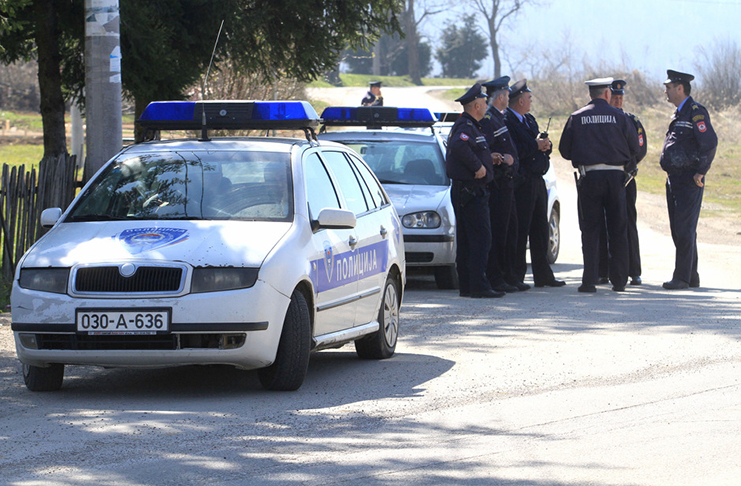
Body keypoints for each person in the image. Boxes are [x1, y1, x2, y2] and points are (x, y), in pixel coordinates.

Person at [559, 77, 640, 293]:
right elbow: (634, 147)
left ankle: (589, 281)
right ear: (607, 94)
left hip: (590, 178)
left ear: (590, 95)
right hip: (616, 179)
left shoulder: (576, 117)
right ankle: (620, 281)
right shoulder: (621, 117)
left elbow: (564, 151)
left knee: (590, 229)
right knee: (618, 229)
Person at [660, 70, 718, 290]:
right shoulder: (679, 113)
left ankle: (682, 277)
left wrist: (701, 171)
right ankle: (691, 275)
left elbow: (710, 143)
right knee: (680, 228)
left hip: (688, 178)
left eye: (669, 87)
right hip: (675, 178)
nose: (666, 90)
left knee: (684, 228)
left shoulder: (695, 113)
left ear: (680, 88)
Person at [504, 79, 565, 288]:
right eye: (529, 98)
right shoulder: (508, 121)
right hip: (522, 182)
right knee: (521, 230)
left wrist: (545, 145)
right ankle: (517, 274)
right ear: (520, 100)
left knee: (540, 228)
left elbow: (536, 145)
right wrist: (534, 145)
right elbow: (516, 148)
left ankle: (543, 274)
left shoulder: (529, 120)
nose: (531, 102)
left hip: (538, 180)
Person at [445, 83, 504, 298]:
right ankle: (478, 285)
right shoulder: (465, 127)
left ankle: (469, 285)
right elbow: (460, 147)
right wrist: (478, 167)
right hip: (471, 190)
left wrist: (488, 160)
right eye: (484, 102)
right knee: (480, 238)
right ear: (476, 105)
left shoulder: (472, 126)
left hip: (469, 190)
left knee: (471, 239)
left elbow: (471, 149)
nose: (486, 106)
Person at [597, 79, 648, 285]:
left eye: (621, 98)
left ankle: (633, 270)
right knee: (602, 224)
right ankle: (603, 270)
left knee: (627, 222)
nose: (617, 101)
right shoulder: (600, 119)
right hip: (603, 178)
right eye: (614, 97)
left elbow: (640, 148)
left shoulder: (631, 120)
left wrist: (628, 166)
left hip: (625, 179)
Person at [480, 76, 528, 293]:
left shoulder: (500, 118)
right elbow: (485, 151)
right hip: (498, 185)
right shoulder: (489, 119)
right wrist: (500, 158)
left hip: (509, 184)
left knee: (510, 232)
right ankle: (496, 277)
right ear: (500, 97)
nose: (509, 99)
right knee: (499, 233)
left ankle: (508, 275)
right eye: (507, 95)